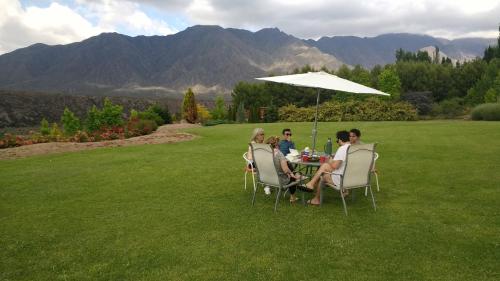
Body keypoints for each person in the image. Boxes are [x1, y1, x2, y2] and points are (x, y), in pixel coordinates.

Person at [303, 130, 351, 205]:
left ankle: (316, 198)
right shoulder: (353, 148)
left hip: (342, 179)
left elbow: (335, 166)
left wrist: (330, 160)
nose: (337, 142)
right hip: (352, 179)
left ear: (340, 140)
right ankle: (312, 184)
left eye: (337, 141)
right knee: (324, 167)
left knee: (323, 174)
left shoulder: (343, 149)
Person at [266, 136, 303, 203]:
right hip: (279, 180)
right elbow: (286, 170)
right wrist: (292, 174)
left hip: (267, 179)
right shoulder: (279, 154)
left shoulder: (265, 154)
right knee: (293, 177)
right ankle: (293, 198)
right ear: (277, 145)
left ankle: (296, 176)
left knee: (293, 174)